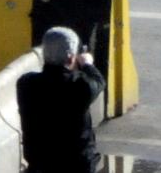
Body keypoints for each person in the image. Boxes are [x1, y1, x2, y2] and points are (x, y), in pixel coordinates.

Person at [17, 27, 105, 173]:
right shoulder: (80, 87)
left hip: (41, 166)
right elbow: (98, 82)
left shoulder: (26, 84)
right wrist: (87, 64)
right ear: (71, 57)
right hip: (76, 166)